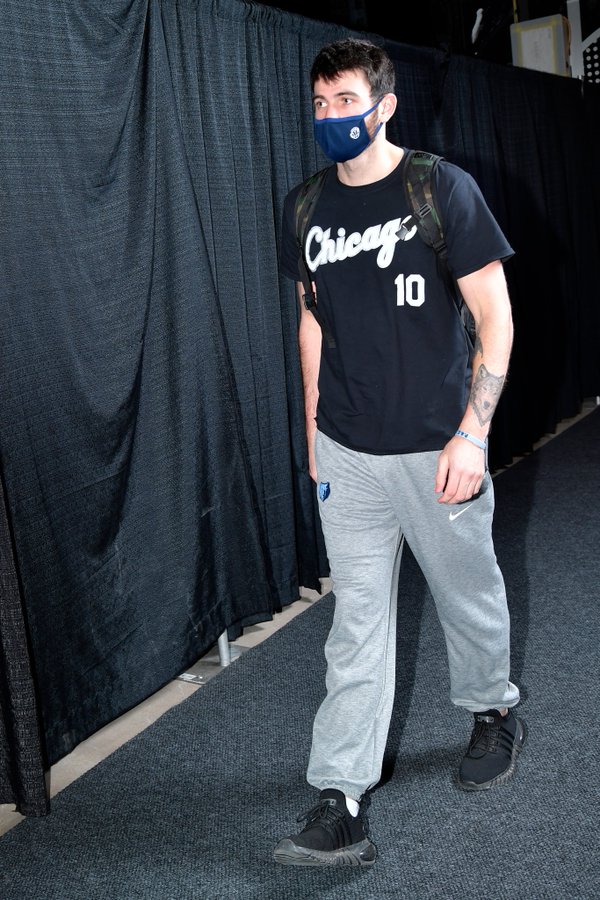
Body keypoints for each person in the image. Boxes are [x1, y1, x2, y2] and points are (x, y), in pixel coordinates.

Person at [273, 37, 525, 868]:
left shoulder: (439, 188)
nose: (331, 117)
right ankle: (340, 796)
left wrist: (473, 433)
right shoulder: (304, 206)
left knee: (467, 593)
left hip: (437, 446)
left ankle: (491, 710)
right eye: (320, 104)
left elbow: (495, 318)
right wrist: (312, 430)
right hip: (348, 450)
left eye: (346, 101)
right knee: (355, 624)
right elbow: (312, 321)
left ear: (384, 106)